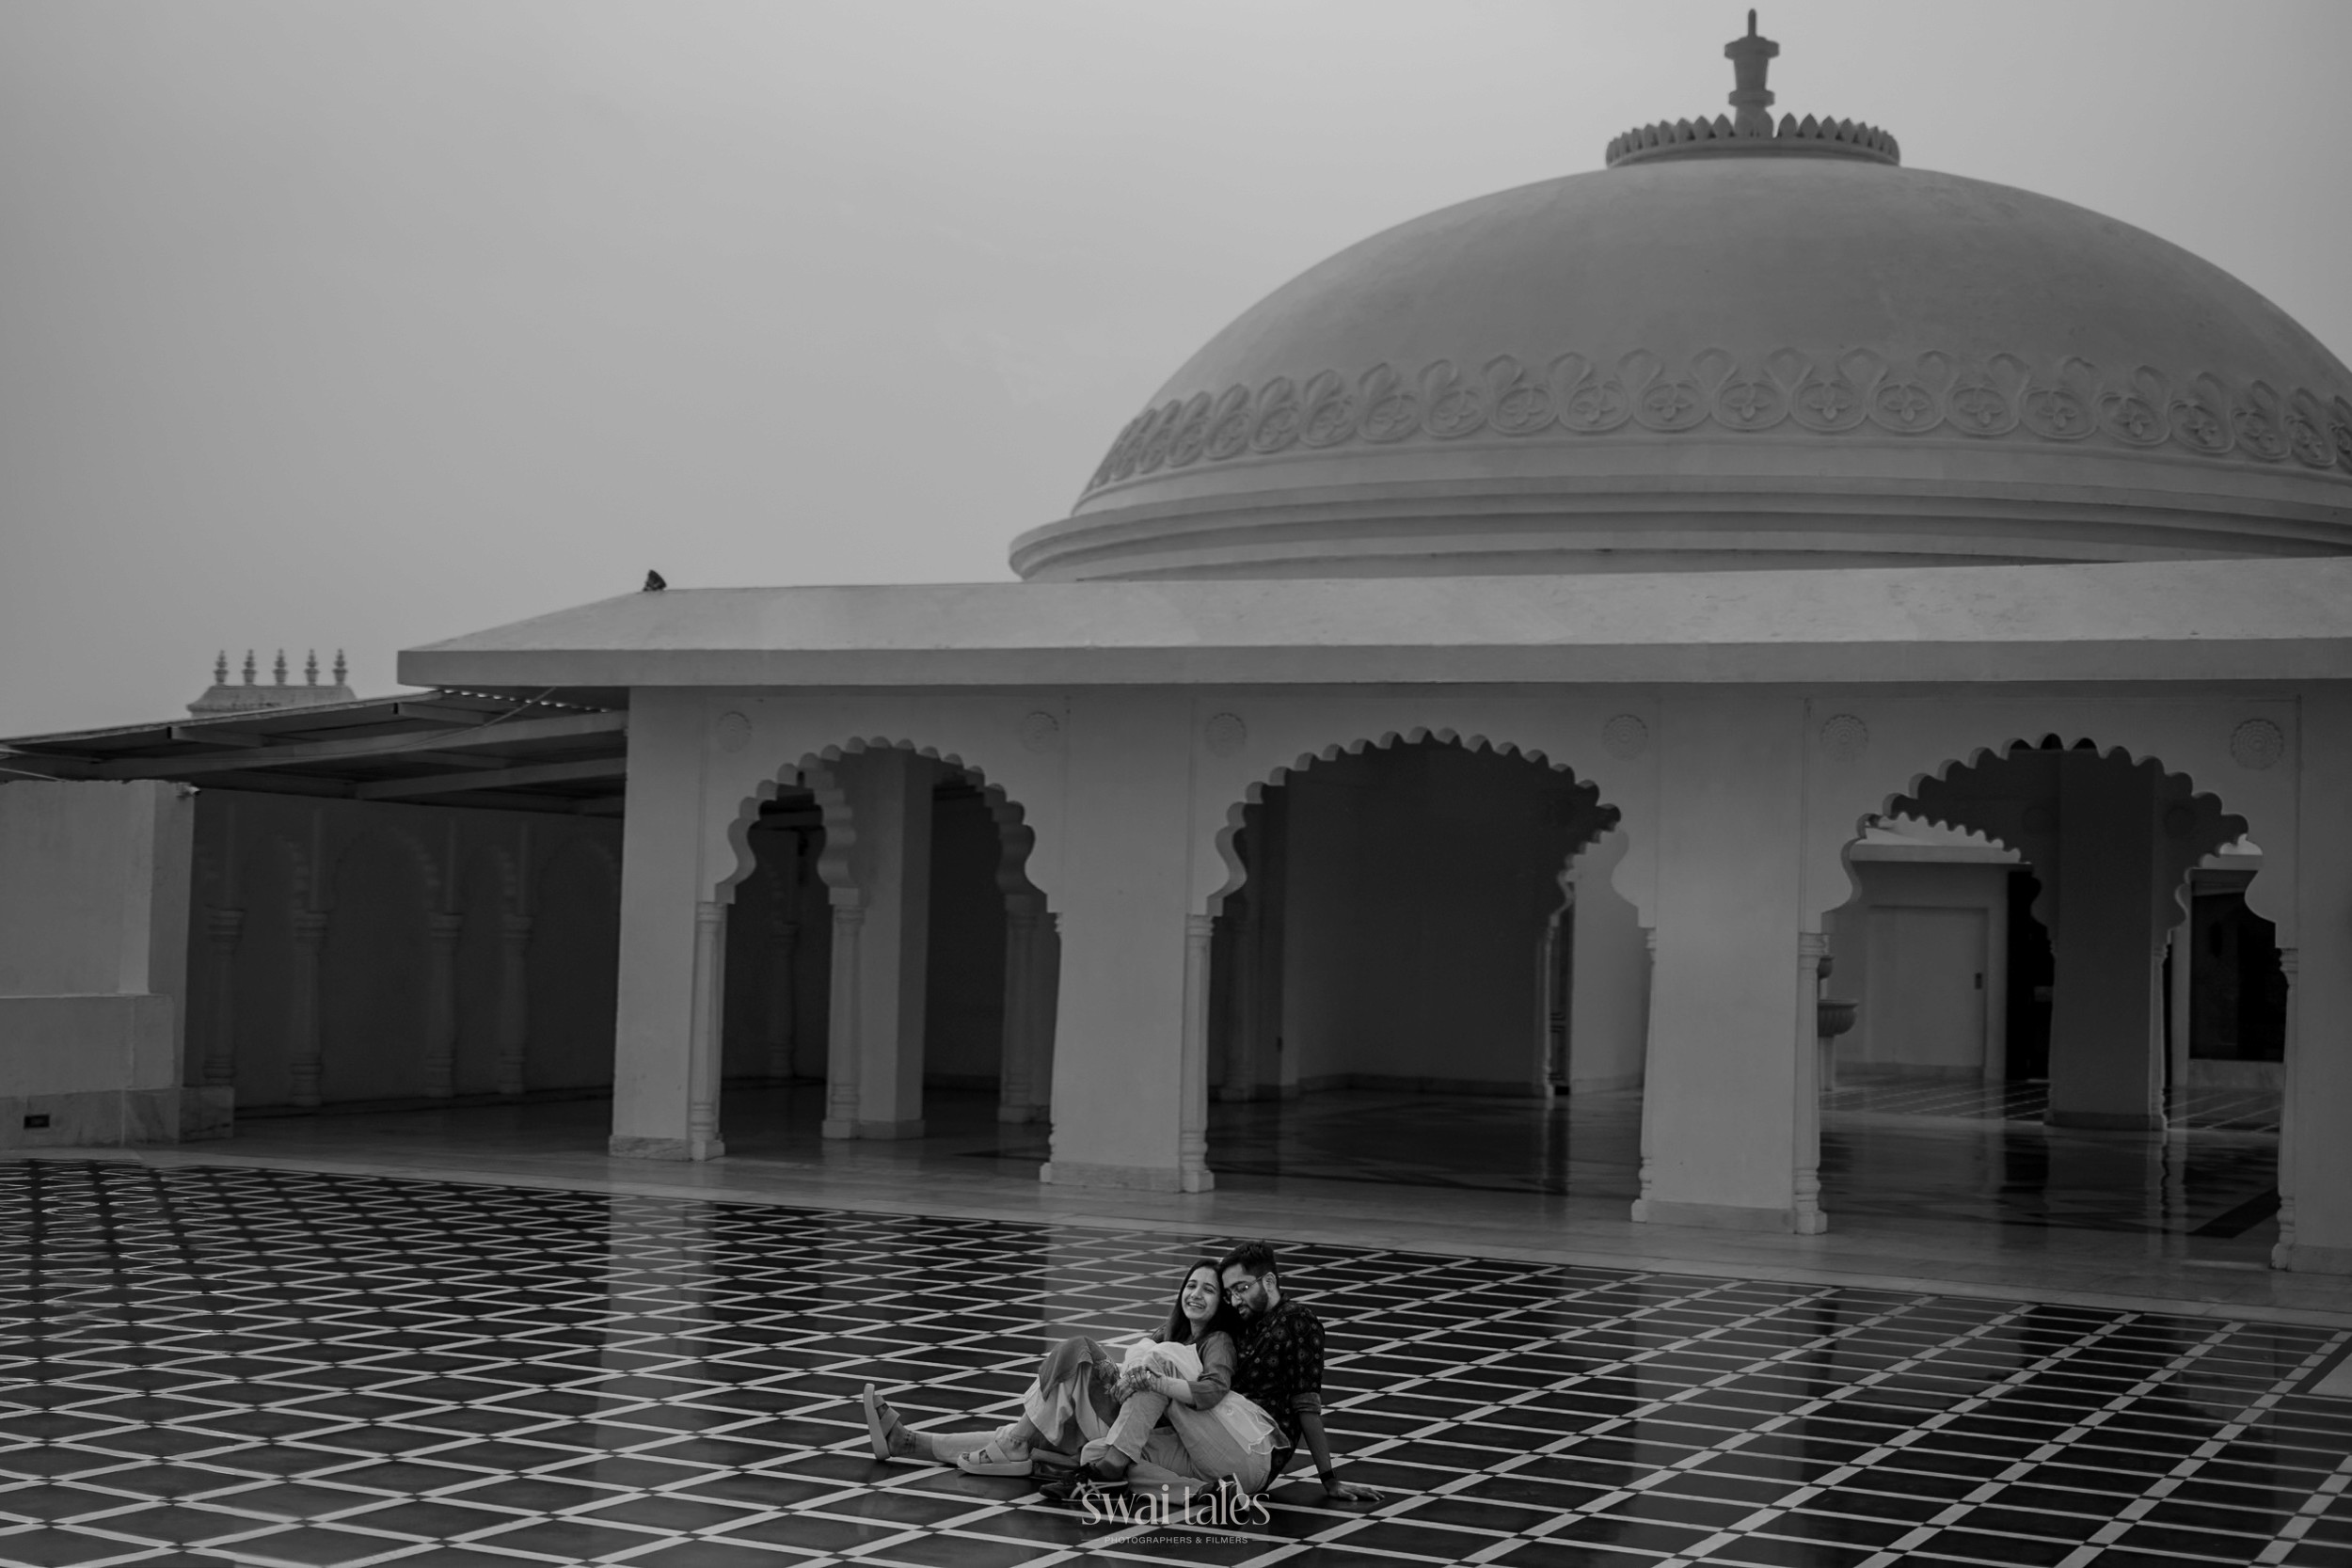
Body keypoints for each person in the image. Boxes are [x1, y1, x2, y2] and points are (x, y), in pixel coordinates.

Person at [860, 1259, 1264, 1490]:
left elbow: (1213, 1389)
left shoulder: (1217, 1341)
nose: (1195, 1294)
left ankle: (1005, 1443)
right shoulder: (1171, 1331)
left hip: (1142, 1434)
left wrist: (1155, 1382)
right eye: (1191, 1285)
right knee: (1038, 1418)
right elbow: (1134, 1371)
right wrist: (1120, 1375)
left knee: (1076, 1351)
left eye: (1208, 1290)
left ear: (1221, 1303)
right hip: (1124, 1413)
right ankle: (910, 1443)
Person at [1213, 1240, 1380, 1504]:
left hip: (1255, 1449)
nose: (1234, 1300)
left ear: (1269, 1282)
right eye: (1229, 1293)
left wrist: (1329, 1479)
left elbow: (1306, 1405)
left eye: (1241, 1288)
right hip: (1219, 1429)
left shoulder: (1298, 1322)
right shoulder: (1245, 1321)